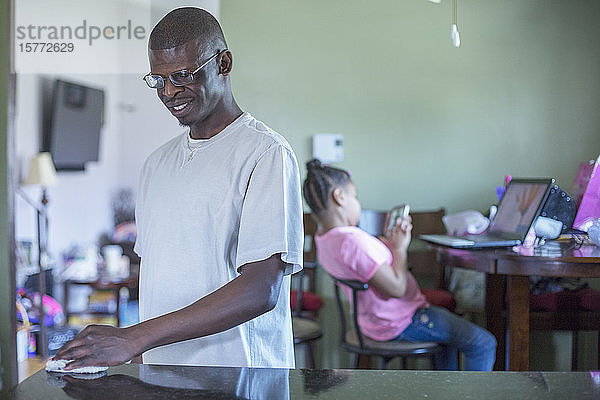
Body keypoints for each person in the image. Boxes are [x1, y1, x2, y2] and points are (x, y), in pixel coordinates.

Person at [55, 7, 303, 368]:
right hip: (164, 374)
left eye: (184, 75)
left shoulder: (265, 154)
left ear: (224, 63)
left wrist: (133, 337)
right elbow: (160, 279)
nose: (170, 92)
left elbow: (260, 291)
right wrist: (139, 352)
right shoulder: (156, 164)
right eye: (158, 80)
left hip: (239, 376)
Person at [303, 159, 496, 371]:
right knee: (483, 343)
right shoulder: (352, 241)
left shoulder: (325, 239)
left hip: (372, 321)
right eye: (354, 196)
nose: (357, 203)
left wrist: (387, 246)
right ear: (339, 197)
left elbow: (363, 267)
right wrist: (399, 249)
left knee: (448, 342)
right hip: (399, 322)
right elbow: (396, 288)